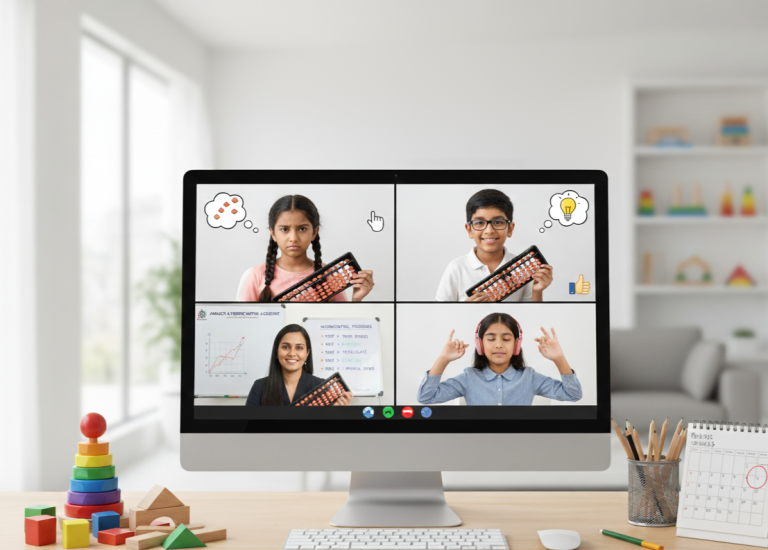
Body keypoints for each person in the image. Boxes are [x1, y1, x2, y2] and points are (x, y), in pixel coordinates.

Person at [417, 313, 582, 405]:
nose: (498, 345)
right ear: (480, 344)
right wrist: (443, 359)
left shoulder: (529, 377)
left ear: (517, 345)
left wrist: (559, 359)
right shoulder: (468, 377)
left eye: (506, 339)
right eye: (490, 339)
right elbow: (425, 397)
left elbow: (573, 395)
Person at [239, 195, 375, 302]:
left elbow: (341, 326)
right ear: (273, 233)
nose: (293, 238)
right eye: (284, 229)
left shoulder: (328, 277)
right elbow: (245, 324)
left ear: (314, 232)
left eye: (302, 229)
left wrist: (356, 300)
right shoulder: (256, 275)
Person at [435, 189, 553, 301]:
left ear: (510, 229)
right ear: (469, 230)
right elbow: (441, 313)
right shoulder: (456, 268)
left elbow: (530, 315)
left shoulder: (524, 270)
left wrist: (537, 291)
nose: (489, 230)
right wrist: (466, 308)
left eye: (498, 222)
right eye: (479, 223)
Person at [246, 324, 354, 406]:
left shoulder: (322, 388)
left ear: (307, 353)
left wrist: (337, 415)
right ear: (276, 352)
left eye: (299, 348)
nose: (292, 353)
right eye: (285, 347)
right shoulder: (260, 387)